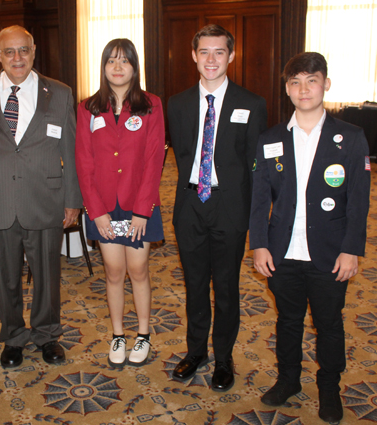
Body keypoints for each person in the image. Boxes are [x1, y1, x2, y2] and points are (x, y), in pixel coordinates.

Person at [249, 52, 370, 423]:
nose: (304, 89)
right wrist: (259, 243)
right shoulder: (271, 139)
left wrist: (351, 249)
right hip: (282, 252)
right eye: (296, 82)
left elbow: (360, 201)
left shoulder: (350, 138)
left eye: (312, 80)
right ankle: (289, 380)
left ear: (326, 84)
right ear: (287, 89)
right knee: (287, 319)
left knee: (329, 323)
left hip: (330, 253)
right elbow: (258, 198)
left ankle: (329, 387)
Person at [0, 25, 82, 368]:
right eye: (9, 51)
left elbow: (72, 149)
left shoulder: (60, 92)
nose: (17, 58)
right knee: (4, 278)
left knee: (48, 274)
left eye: (24, 50)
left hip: (45, 199)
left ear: (34, 51)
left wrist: (73, 200)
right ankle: (14, 338)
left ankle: (47, 335)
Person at [167, 24, 267, 389]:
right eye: (204, 52)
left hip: (230, 208)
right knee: (194, 285)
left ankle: (224, 359)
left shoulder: (252, 104)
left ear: (231, 56)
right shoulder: (176, 104)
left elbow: (255, 168)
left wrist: (257, 223)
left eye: (219, 52)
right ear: (194, 56)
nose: (211, 59)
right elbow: (180, 156)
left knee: (225, 287)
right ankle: (196, 352)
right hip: (190, 205)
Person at [75, 39, 165, 368]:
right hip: (103, 207)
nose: (117, 67)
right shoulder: (87, 108)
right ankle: (117, 334)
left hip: (138, 204)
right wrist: (96, 212)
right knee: (114, 271)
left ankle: (142, 334)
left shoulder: (151, 105)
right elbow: (83, 162)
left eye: (124, 61)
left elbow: (155, 160)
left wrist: (143, 211)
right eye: (111, 61)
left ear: (134, 67)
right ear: (103, 67)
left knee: (139, 270)